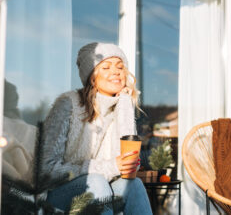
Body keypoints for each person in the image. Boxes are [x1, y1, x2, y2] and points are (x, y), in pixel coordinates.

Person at [40, 42, 152, 215]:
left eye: (120, 67)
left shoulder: (121, 106)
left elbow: (127, 166)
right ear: (91, 77)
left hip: (101, 189)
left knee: (133, 184)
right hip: (58, 194)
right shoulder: (67, 105)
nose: (116, 72)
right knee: (96, 182)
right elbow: (47, 170)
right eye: (106, 67)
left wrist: (124, 104)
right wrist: (108, 167)